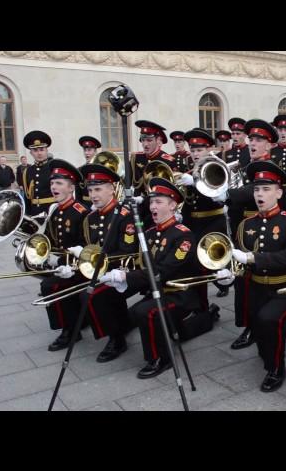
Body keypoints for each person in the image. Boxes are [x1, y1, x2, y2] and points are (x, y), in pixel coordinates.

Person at [99, 177, 208, 378]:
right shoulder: (149, 233)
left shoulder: (183, 236)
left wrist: (126, 276)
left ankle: (161, 358)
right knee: (104, 293)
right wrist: (113, 272)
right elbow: (136, 259)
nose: (153, 207)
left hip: (178, 294)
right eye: (151, 202)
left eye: (159, 202)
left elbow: (162, 271)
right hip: (154, 288)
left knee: (145, 312)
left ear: (173, 205)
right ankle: (117, 338)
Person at [216, 160, 286, 392]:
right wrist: (229, 272)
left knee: (269, 321)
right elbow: (239, 259)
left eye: (266, 189)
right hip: (256, 289)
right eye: (256, 189)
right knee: (260, 330)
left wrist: (253, 259)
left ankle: (276, 369)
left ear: (279, 192)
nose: (260, 194)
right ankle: (276, 339)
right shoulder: (246, 224)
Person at [74, 162, 138, 362]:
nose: (93, 194)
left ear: (112, 189)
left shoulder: (124, 215)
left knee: (93, 295)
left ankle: (117, 339)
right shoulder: (90, 218)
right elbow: (89, 245)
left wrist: (102, 265)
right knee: (79, 288)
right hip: (100, 270)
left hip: (125, 270)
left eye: (98, 189)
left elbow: (127, 251)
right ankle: (115, 327)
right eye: (91, 189)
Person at [38, 159, 89, 351]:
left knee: (49, 286)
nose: (53, 187)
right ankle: (74, 322)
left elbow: (86, 245)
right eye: (52, 183)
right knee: (48, 279)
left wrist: (66, 262)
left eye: (59, 183)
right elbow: (48, 238)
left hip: (77, 266)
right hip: (60, 263)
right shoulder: (55, 209)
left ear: (71, 187)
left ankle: (69, 331)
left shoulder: (81, 211)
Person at [179, 128, 230, 301]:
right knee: (194, 263)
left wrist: (193, 181)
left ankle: (224, 280)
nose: (195, 154)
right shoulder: (188, 170)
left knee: (213, 259)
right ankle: (200, 303)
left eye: (199, 150)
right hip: (192, 222)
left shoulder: (216, 168)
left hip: (213, 220)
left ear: (208, 150)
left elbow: (216, 192)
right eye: (192, 150)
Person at [21, 130, 56, 216]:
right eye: (35, 150)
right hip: (35, 213)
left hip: (52, 211)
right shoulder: (28, 171)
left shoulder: (54, 169)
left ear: (46, 150)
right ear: (31, 153)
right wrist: (28, 215)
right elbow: (27, 197)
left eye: (42, 149)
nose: (39, 153)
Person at [77, 136, 102, 206]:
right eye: (85, 150)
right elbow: (78, 195)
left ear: (95, 151)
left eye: (89, 150)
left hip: (101, 204)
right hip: (85, 206)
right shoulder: (79, 170)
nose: (86, 153)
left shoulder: (102, 169)